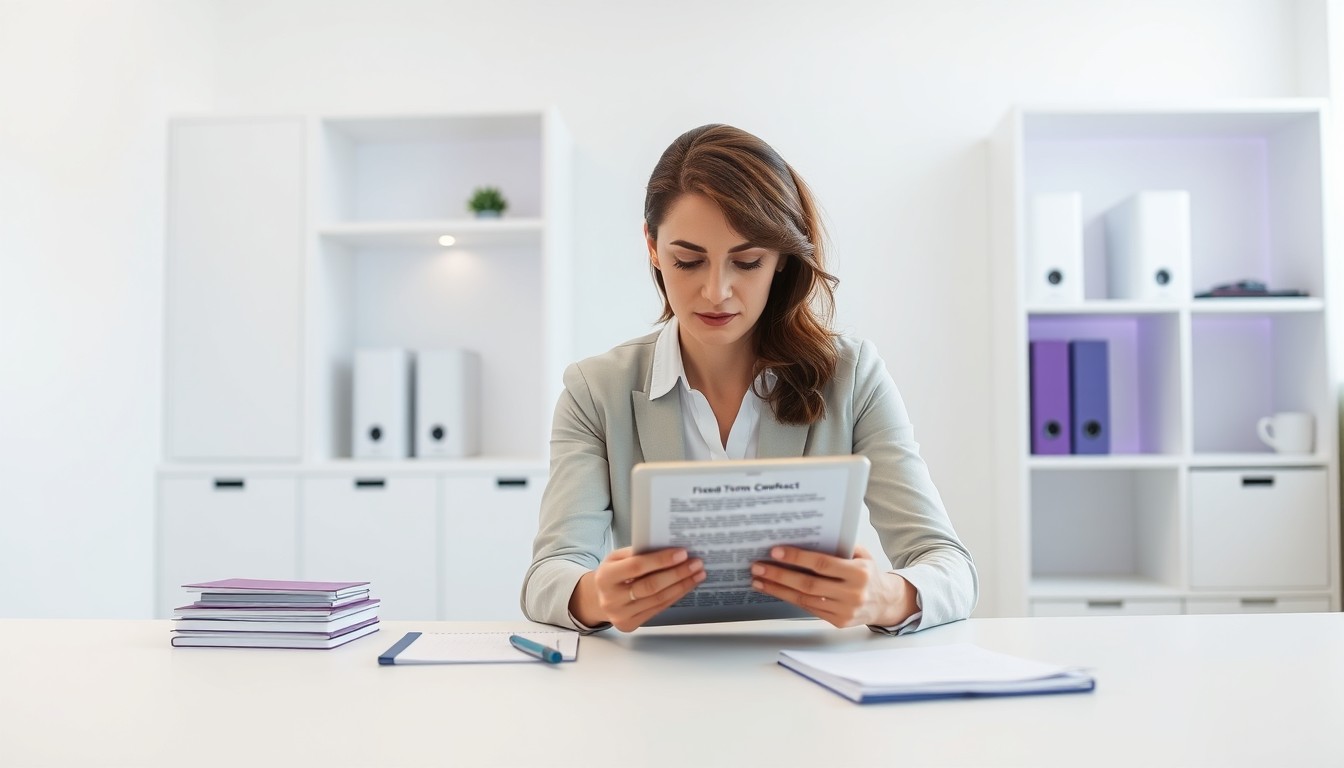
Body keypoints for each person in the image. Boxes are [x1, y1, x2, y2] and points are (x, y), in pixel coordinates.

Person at [522, 124, 976, 634]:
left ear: (781, 257)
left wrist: (885, 598)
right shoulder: (594, 391)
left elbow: (948, 563)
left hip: (810, 682)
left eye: (747, 261)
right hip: (656, 682)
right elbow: (548, 575)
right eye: (687, 261)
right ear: (652, 247)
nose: (716, 291)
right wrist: (595, 596)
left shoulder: (853, 376)